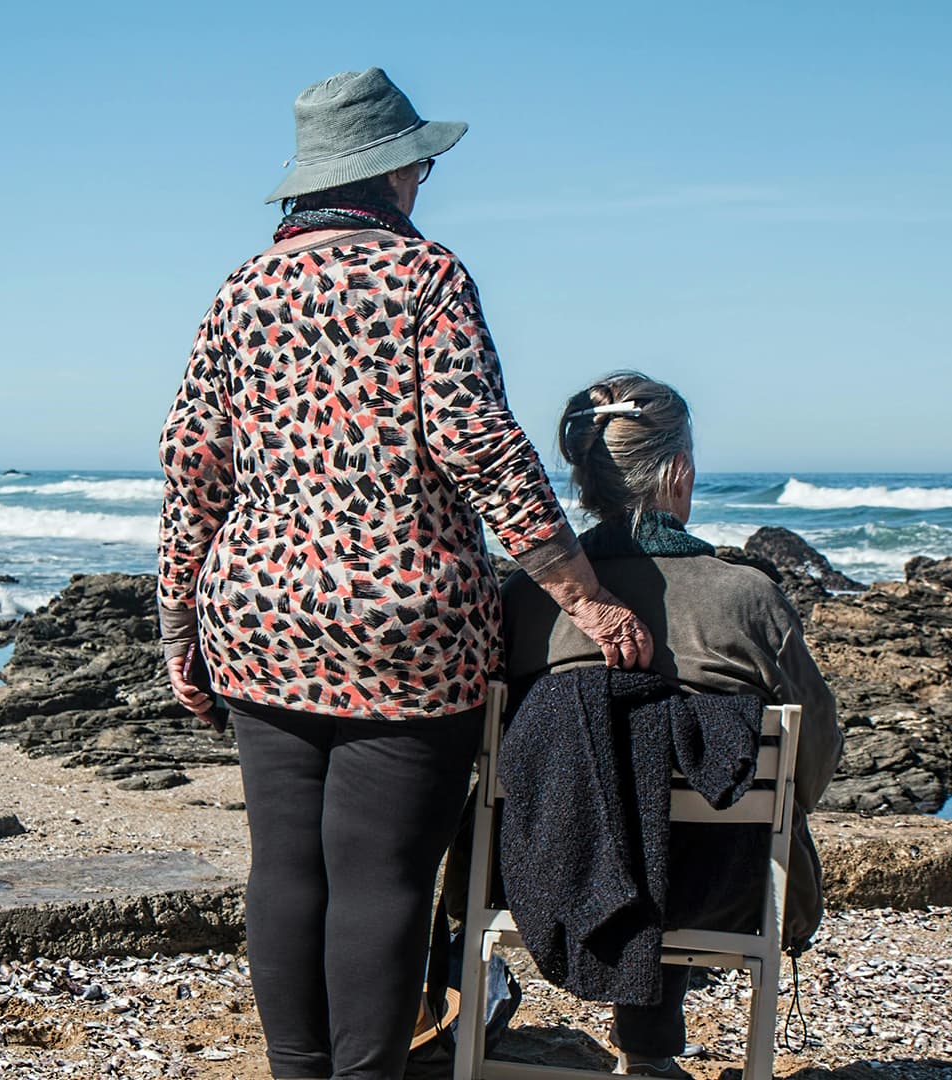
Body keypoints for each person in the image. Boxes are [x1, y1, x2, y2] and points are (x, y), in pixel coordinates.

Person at [157, 68, 653, 1080]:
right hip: (407, 624)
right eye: (420, 162)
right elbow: (478, 441)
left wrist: (179, 629)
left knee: (286, 868)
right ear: (394, 171)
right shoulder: (428, 277)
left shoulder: (242, 289)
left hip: (257, 615)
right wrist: (582, 594)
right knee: (383, 876)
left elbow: (191, 464)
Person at [498, 371, 842, 1079]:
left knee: (603, 787)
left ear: (586, 481)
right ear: (678, 472)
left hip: (540, 878)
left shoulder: (526, 599)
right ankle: (651, 1055)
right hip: (721, 886)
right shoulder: (746, 597)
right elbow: (814, 755)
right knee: (688, 816)